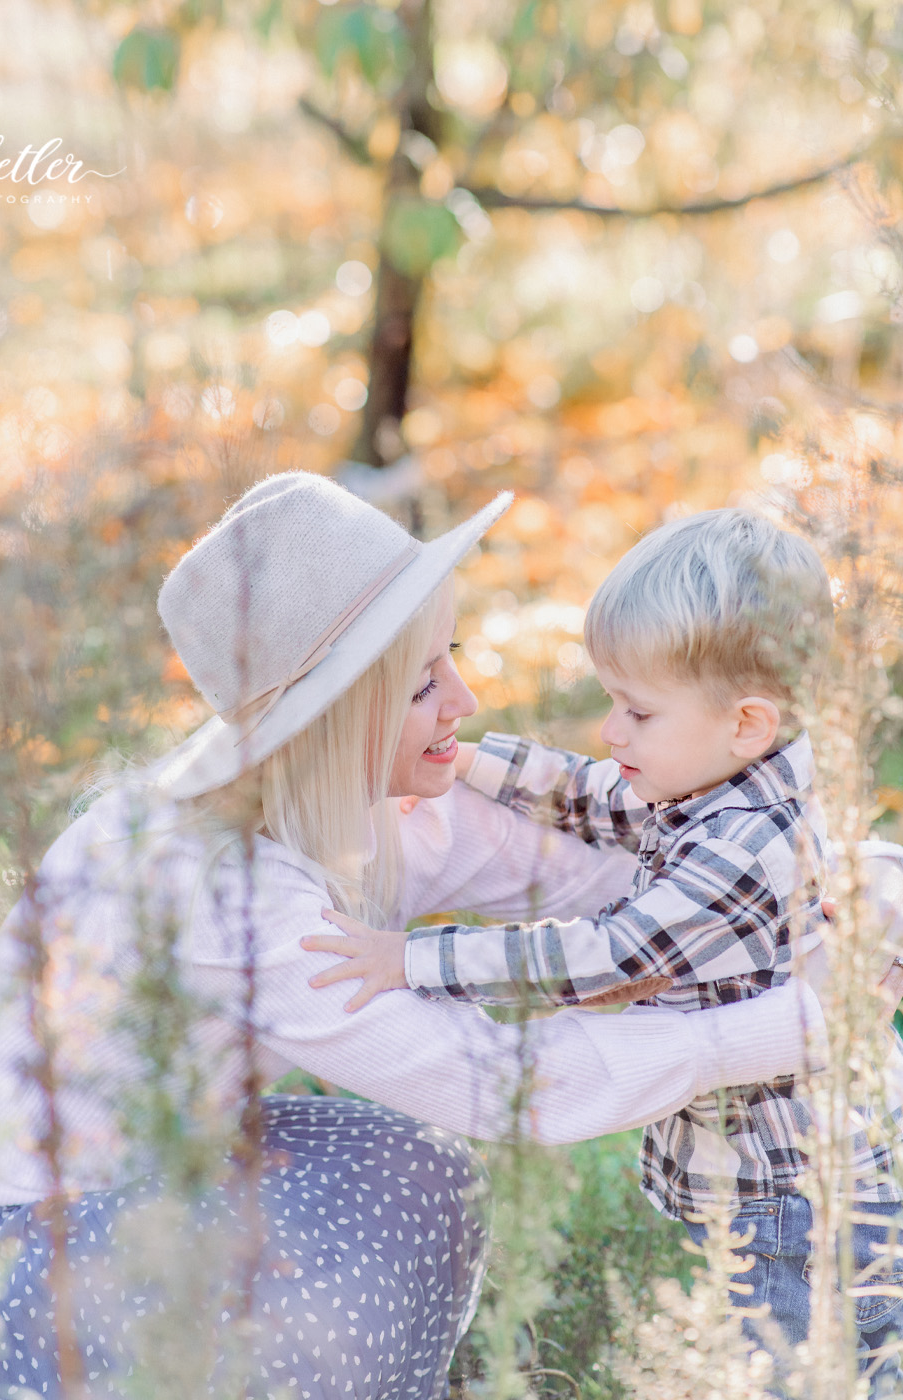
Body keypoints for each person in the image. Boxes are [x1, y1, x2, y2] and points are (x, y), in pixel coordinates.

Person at [0, 474, 888, 1400]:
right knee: (380, 1225)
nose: (467, 702)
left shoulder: (367, 802)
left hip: (156, 1164)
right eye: (420, 684)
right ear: (334, 718)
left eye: (450, 658)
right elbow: (508, 1080)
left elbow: (628, 881)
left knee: (415, 1172)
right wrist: (778, 1025)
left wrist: (846, 884)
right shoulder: (221, 899)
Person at [306, 508, 903, 1391]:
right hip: (800, 1188)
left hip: (798, 1204)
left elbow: (603, 959)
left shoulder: (744, 850)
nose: (611, 733)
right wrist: (468, 765)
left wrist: (416, 961)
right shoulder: (722, 781)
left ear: (746, 722)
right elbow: (594, 794)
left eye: (636, 711)